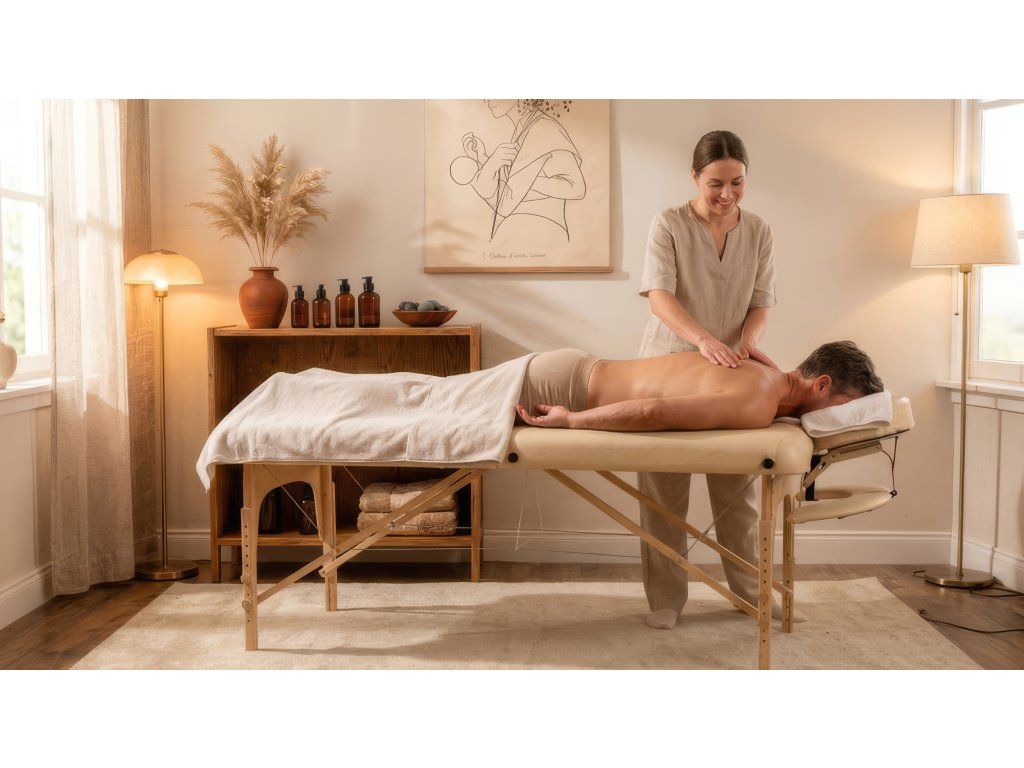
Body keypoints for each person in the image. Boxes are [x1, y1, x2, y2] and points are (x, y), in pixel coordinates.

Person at [643, 128, 774, 629]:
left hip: (730, 372)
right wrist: (702, 340)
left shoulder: (758, 230)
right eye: (715, 183)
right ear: (695, 177)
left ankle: (749, 593)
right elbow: (659, 298)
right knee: (663, 493)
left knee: (737, 492)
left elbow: (760, 301)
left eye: (736, 182)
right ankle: (665, 600)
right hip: (669, 367)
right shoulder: (669, 224)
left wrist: (746, 342)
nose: (726, 194)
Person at [515, 341, 884, 432]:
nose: (839, 418)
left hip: (574, 368)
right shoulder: (759, 402)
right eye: (843, 407)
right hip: (564, 389)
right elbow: (653, 411)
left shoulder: (764, 374)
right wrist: (572, 420)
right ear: (821, 385)